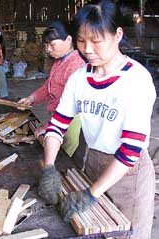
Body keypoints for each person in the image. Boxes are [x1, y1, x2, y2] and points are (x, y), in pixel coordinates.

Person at [40, 0, 156, 238]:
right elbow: (57, 125)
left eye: (96, 41)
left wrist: (91, 194)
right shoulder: (79, 78)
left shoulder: (136, 80)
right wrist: (49, 167)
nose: (88, 49)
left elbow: (131, 149)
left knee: (126, 233)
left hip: (128, 174)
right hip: (92, 160)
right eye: (81, 41)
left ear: (117, 35)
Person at [18, 21, 85, 140]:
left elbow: (72, 106)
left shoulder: (75, 65)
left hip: (69, 121)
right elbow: (47, 87)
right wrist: (32, 98)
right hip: (57, 118)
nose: (48, 49)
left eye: (52, 44)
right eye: (47, 45)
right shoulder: (59, 61)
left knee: (62, 156)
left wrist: (51, 126)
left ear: (68, 40)